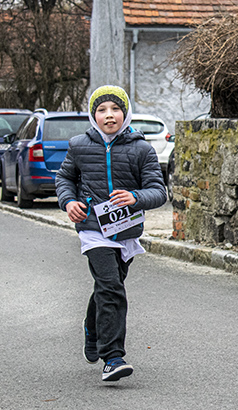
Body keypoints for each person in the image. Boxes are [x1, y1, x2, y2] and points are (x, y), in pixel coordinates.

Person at [55, 85, 166, 382]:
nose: (109, 115)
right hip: (93, 229)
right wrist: (69, 202)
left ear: (125, 113)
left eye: (115, 109)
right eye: (102, 110)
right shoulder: (79, 145)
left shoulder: (142, 148)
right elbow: (65, 178)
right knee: (111, 287)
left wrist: (135, 197)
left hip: (126, 231)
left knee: (107, 288)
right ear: (93, 115)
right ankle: (113, 357)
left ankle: (92, 327)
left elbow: (159, 191)